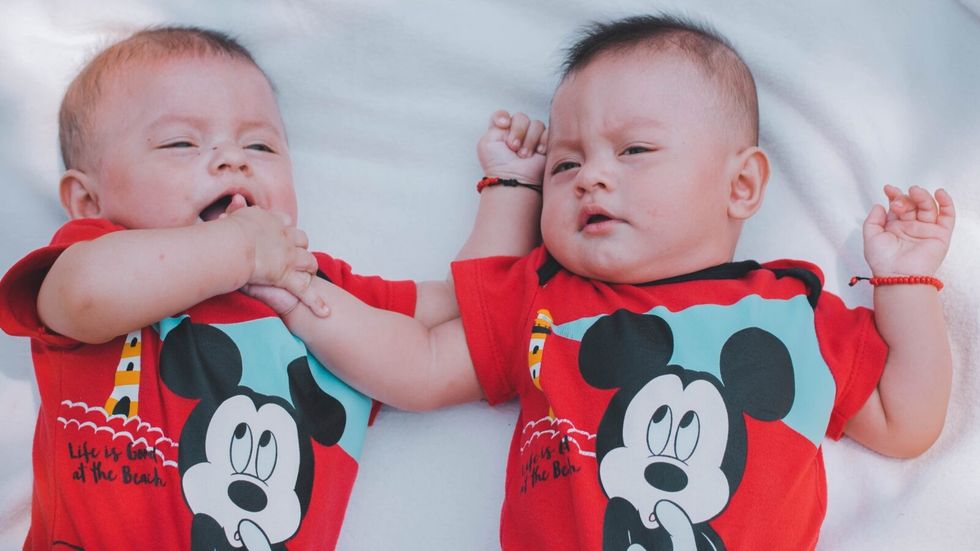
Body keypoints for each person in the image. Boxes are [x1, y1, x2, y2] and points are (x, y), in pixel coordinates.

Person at [256, 14, 956, 550]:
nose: (591, 175)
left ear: (740, 184)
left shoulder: (793, 315)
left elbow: (906, 420)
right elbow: (422, 364)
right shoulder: (548, 299)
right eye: (565, 164)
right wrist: (307, 302)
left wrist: (905, 281)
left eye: (635, 150)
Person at [0, 26, 546, 550]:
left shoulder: (309, 281)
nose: (232, 159)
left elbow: (459, 306)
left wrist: (511, 188)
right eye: (181, 143)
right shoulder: (97, 254)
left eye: (260, 147)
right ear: (88, 201)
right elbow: (81, 297)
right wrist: (238, 252)